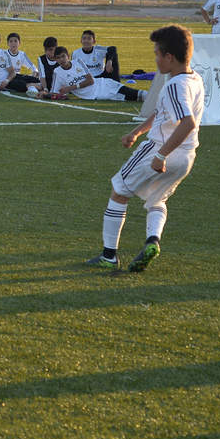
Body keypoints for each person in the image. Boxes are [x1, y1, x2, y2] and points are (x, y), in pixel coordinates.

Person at [85, 25, 203, 275]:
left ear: (169, 57)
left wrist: (160, 155)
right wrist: (136, 132)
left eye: (157, 54)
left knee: (119, 190)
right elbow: (162, 113)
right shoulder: (195, 79)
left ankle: (108, 256)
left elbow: (188, 122)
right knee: (157, 199)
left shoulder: (175, 85)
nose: (155, 59)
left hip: (159, 150)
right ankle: (152, 241)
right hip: (186, 156)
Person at [43, 46, 145, 102]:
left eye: (63, 56)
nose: (61, 60)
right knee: (133, 98)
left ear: (68, 56)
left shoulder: (78, 62)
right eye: (58, 58)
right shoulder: (57, 72)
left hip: (103, 85)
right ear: (55, 59)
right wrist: (44, 94)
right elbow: (55, 92)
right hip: (97, 96)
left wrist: (71, 88)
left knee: (136, 94)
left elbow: (90, 81)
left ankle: (153, 98)